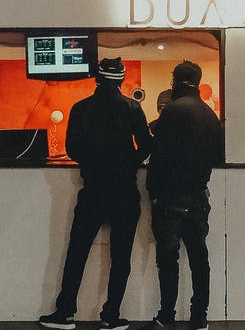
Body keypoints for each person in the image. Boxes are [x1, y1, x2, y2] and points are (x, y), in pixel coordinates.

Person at [40, 57, 151, 330]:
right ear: (121, 80)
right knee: (121, 256)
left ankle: (65, 312)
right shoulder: (132, 107)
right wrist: (129, 162)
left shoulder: (81, 109)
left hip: (93, 191)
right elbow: (147, 145)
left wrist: (94, 162)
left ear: (97, 79)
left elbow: (72, 149)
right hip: (124, 191)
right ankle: (111, 316)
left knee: (77, 252)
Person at [145, 60, 224, 330]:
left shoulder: (172, 112)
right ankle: (199, 317)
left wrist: (153, 192)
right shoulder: (210, 114)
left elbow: (159, 156)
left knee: (168, 259)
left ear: (174, 81)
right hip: (199, 196)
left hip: (171, 197)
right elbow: (217, 155)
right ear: (199, 82)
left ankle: (166, 315)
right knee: (199, 258)